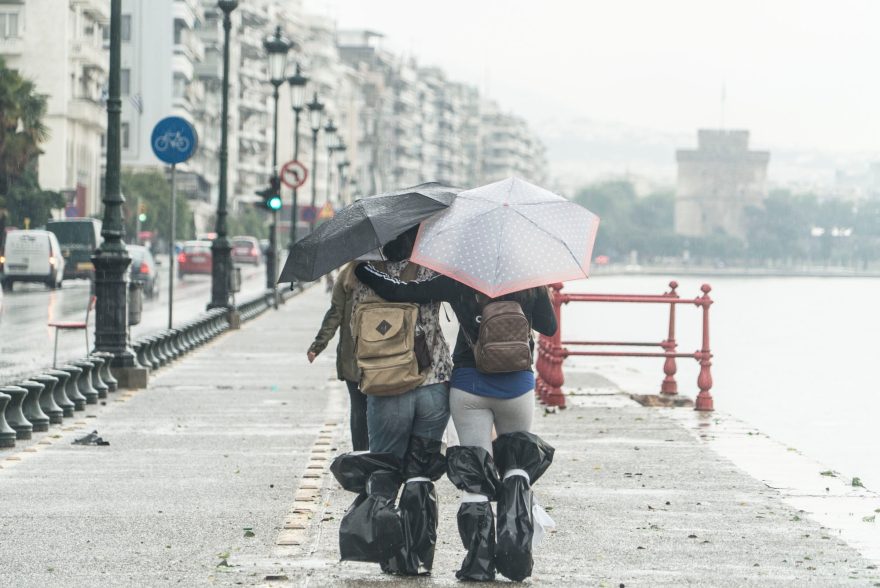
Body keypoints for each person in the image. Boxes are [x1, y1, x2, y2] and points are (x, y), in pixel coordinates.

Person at [354, 262, 558, 582]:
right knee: (517, 467)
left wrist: (363, 270)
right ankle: (516, 555)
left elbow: (404, 292)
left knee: (475, 472)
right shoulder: (530, 278)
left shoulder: (462, 278)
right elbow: (549, 328)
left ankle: (478, 563)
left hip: (469, 386)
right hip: (517, 386)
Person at [333, 225, 453, 576]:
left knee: (385, 470)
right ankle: (419, 557)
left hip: (386, 387)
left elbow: (357, 330)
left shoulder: (362, 275)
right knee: (420, 474)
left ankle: (390, 555)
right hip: (433, 382)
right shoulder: (432, 269)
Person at [307, 263, 368, 450]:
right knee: (379, 406)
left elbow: (335, 313)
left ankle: (360, 454)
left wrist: (318, 345)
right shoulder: (388, 271)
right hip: (382, 352)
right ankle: (379, 454)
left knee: (358, 407)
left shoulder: (347, 275)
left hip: (353, 354)